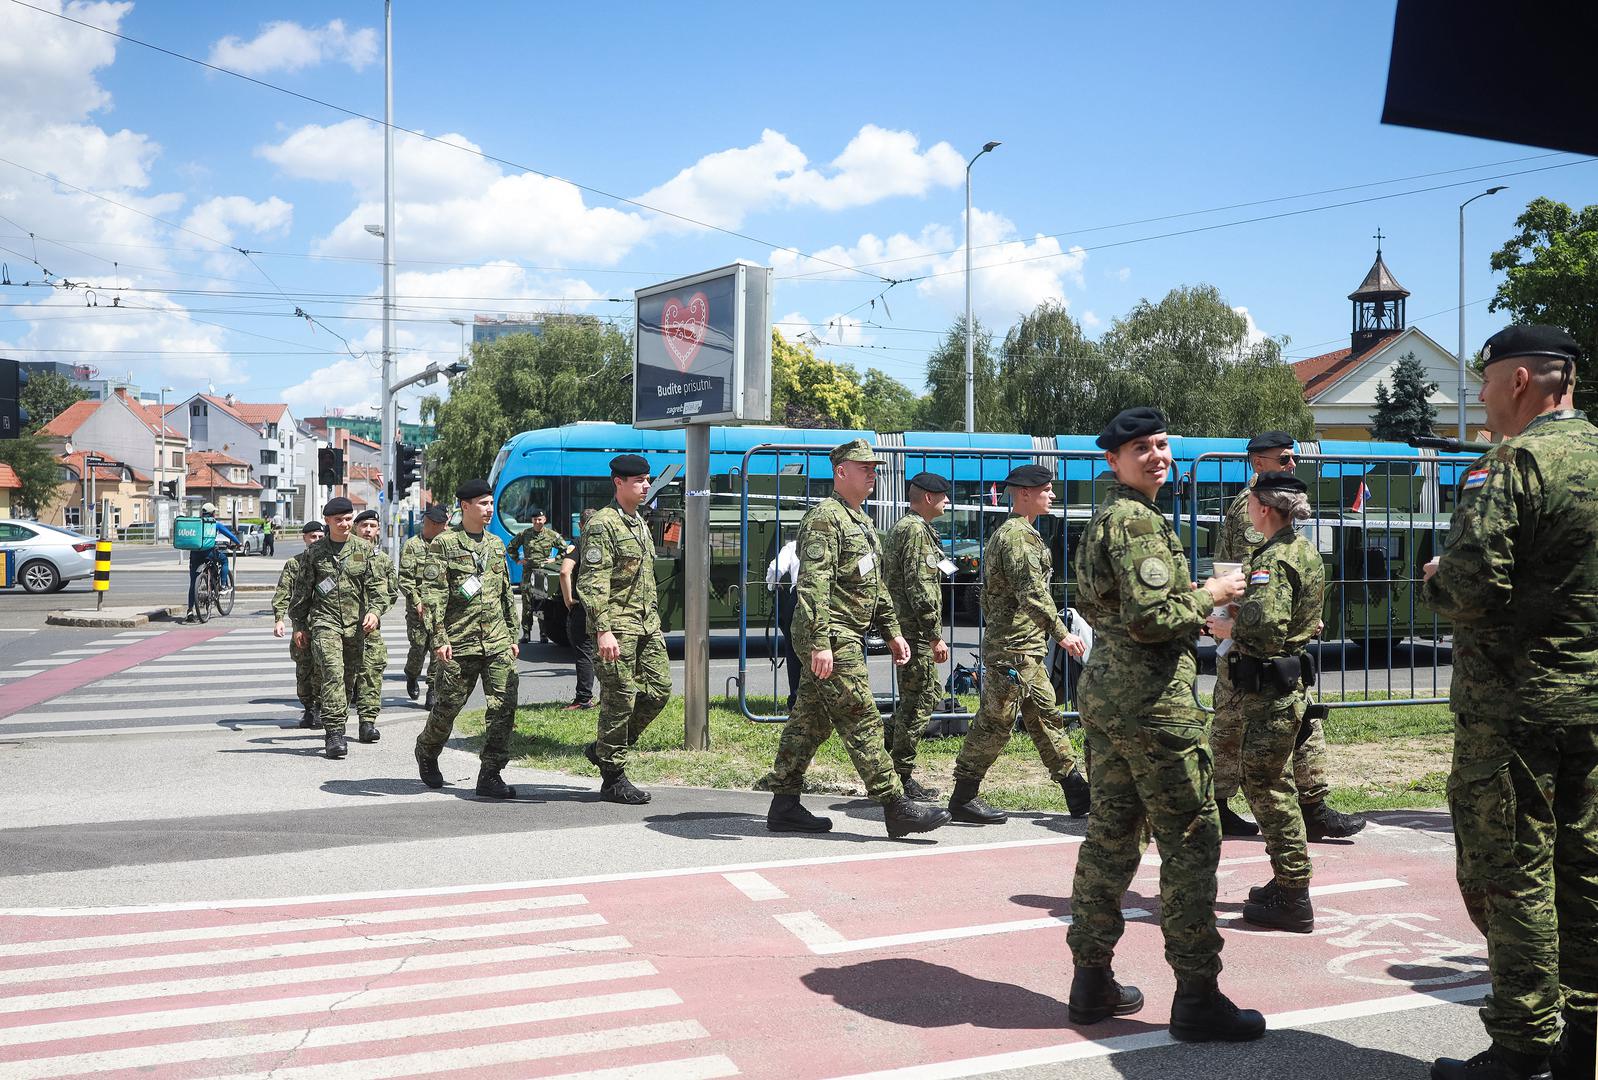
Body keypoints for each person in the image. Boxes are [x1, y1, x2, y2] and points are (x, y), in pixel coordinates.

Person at [1419, 325, 1597, 1080]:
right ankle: (1583, 1042)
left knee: (1514, 874)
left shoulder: (1515, 462)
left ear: (1521, 379)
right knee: (1585, 868)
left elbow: (1468, 586)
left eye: (1485, 380)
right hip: (1591, 703)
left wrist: (1433, 575)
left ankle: (1521, 1048)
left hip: (1515, 710)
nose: (1480, 395)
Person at [1067, 407, 1261, 1041]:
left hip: (1109, 701)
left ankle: (1091, 981)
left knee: (1112, 837)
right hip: (1154, 709)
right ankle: (1198, 996)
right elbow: (1152, 618)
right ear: (1113, 462)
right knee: (1190, 841)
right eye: (1141, 449)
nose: (1156, 456)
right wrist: (1216, 593)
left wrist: (1196, 594)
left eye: (1161, 445)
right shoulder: (1137, 523)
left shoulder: (1108, 518)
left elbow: (1131, 610)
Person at [761, 439, 951, 839]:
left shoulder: (862, 522)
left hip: (849, 632)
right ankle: (895, 805)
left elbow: (875, 584)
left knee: (810, 720)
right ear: (840, 472)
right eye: (864, 468)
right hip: (832, 632)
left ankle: (784, 804)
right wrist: (820, 643)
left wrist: (893, 632)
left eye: (874, 469)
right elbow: (813, 585)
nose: (873, 475)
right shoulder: (824, 519)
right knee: (860, 715)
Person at [1212, 430, 1366, 841]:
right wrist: (1246, 627)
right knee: (1235, 724)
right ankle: (1221, 805)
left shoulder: (1272, 501)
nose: (1292, 465)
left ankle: (1310, 806)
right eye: (1283, 460)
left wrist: (1297, 614)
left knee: (1299, 719)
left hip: (1270, 635)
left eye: (1292, 459)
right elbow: (1249, 579)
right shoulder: (1254, 508)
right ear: (1258, 463)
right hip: (1253, 638)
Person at [1205, 472, 1325, 933]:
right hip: (1284, 685)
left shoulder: (1272, 560)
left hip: (1269, 690)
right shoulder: (1303, 550)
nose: (1247, 510)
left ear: (1265, 509)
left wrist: (1228, 628)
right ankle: (1286, 882)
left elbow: (1266, 629)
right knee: (1270, 785)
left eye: (1252, 503)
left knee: (1268, 788)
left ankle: (1294, 893)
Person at [949, 464, 1090, 823]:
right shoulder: (1017, 537)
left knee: (1046, 719)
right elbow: (1032, 594)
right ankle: (963, 798)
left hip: (1023, 648)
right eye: (1046, 489)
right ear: (1025, 493)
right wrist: (1063, 633)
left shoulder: (1020, 533)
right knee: (995, 725)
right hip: (1013, 650)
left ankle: (1077, 792)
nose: (1053, 495)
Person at [414, 479, 521, 798]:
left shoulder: (496, 544)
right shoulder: (445, 545)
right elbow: (432, 594)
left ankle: (490, 773)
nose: (489, 509)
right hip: (459, 642)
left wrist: (512, 634)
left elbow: (504, 593)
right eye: (483, 504)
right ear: (464, 507)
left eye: (491, 503)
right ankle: (427, 750)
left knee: (504, 706)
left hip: (497, 642)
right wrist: (439, 638)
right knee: (446, 709)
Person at [575, 456, 671, 804]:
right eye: (639, 481)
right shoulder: (603, 524)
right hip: (616, 628)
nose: (646, 486)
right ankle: (613, 777)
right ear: (618, 482)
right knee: (620, 699)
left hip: (646, 626)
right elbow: (591, 582)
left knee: (659, 691)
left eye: (647, 480)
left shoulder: (639, 522)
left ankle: (604, 749)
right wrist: (603, 630)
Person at [287, 497, 382, 760]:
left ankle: (340, 719)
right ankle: (335, 733)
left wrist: (375, 611)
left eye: (348, 519)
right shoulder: (315, 553)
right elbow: (302, 593)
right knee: (331, 673)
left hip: (356, 626)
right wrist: (298, 625)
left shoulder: (364, 550)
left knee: (348, 680)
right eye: (338, 520)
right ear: (328, 521)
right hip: (324, 623)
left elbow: (377, 587)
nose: (344, 524)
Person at [883, 471, 954, 801]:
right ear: (928, 498)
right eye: (943, 497)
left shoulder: (911, 528)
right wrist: (934, 635)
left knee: (922, 695)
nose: (947, 502)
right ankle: (902, 775)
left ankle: (890, 742)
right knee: (920, 700)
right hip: (913, 632)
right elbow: (921, 587)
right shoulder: (914, 531)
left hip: (908, 630)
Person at [271, 520, 325, 729]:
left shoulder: (330, 562)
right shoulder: (294, 564)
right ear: (304, 538)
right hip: (302, 627)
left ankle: (320, 708)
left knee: (324, 669)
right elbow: (283, 593)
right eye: (313, 537)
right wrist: (279, 619)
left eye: (320, 537)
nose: (317, 540)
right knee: (304, 671)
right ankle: (309, 708)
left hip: (325, 625)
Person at [350, 509, 394, 743]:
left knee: (372, 672)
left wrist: (377, 612)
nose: (368, 530)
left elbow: (392, 592)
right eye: (364, 525)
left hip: (370, 629)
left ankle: (367, 723)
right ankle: (332, 724)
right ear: (355, 527)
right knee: (338, 676)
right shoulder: (342, 555)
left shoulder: (383, 560)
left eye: (372, 526)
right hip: (339, 628)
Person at [400, 505, 449, 707]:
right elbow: (405, 579)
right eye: (442, 525)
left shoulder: (446, 545)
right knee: (418, 648)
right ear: (431, 524)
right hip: (417, 611)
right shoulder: (412, 545)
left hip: (440, 610)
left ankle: (432, 690)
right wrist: (417, 601)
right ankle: (411, 674)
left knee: (437, 650)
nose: (446, 529)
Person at [506, 508, 567, 645]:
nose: (537, 522)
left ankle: (543, 634)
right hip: (528, 574)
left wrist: (554, 559)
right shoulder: (525, 534)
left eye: (540, 519)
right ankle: (526, 634)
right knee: (527, 604)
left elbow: (565, 550)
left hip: (542, 574)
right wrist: (517, 560)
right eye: (535, 520)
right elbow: (511, 547)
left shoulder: (552, 535)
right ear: (532, 521)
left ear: (544, 520)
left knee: (541, 605)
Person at [558, 507, 598, 711]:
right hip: (606, 604)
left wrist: (568, 599)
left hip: (582, 605)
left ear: (581, 526)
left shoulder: (579, 542)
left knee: (584, 651)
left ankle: (583, 699)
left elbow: (565, 572)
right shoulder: (608, 541)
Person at [184, 502, 239, 622]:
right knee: (224, 560)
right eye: (214, 512)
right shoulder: (215, 524)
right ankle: (223, 585)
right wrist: (238, 542)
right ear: (212, 513)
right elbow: (229, 534)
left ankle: (189, 611)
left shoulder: (196, 523)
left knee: (193, 583)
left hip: (195, 555)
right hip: (209, 553)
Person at [764, 537, 802, 709]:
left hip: (798, 597)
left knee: (794, 653)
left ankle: (796, 700)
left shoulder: (794, 546)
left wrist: (773, 585)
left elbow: (775, 568)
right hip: (831, 599)